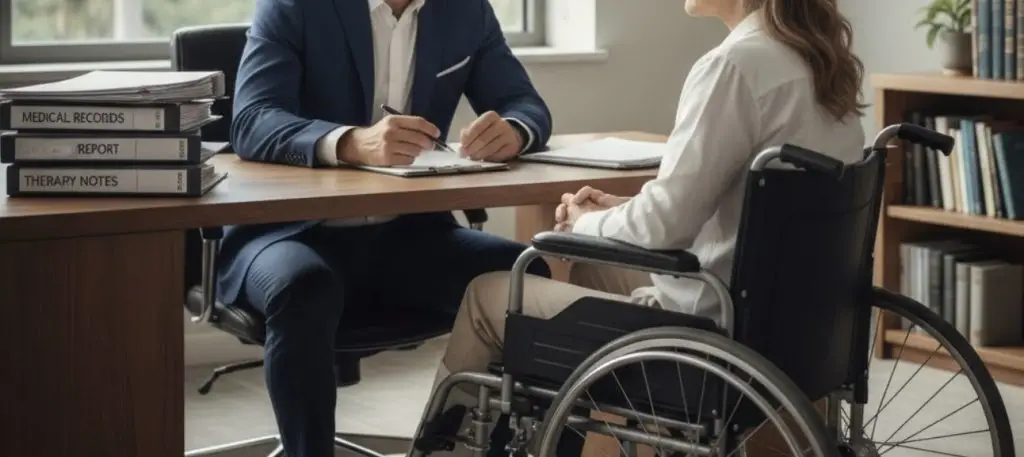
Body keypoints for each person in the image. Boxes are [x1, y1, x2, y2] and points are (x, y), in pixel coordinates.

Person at [420, 0, 867, 455]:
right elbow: (721, 210)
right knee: (592, 271)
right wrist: (626, 207)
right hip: (792, 326)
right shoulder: (816, 62)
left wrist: (584, 221)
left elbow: (663, 227)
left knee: (488, 293)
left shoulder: (732, 66)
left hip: (713, 329)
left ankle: (442, 450)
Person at [223, 0, 553, 456]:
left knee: (523, 279)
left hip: (407, 237)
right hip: (288, 233)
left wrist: (515, 130)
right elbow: (252, 120)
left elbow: (525, 104)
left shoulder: (465, 11)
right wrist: (351, 142)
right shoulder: (294, 6)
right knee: (306, 287)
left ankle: (471, 448)